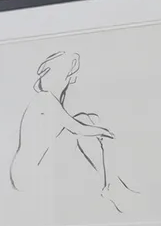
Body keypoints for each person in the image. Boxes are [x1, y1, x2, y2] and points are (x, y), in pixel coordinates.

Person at [8, 50, 134, 212]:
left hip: (32, 170)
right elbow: (76, 128)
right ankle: (110, 186)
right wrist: (104, 131)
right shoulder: (45, 99)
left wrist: (94, 126)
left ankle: (111, 185)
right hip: (27, 175)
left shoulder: (49, 100)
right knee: (84, 124)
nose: (72, 80)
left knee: (86, 119)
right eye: (69, 76)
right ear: (61, 78)